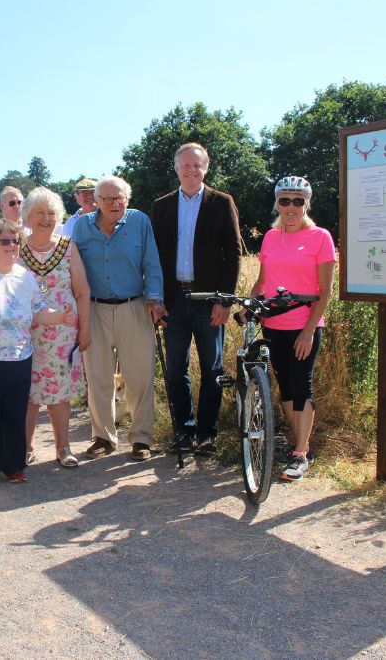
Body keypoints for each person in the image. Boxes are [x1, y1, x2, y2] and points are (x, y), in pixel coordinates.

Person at [0, 219, 76, 489]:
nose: (12, 246)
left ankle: (13, 466)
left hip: (18, 357)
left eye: (16, 240)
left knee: (13, 414)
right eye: (5, 241)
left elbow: (39, 310)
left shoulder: (25, 276)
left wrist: (60, 317)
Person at [150, 142, 245, 455]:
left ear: (206, 168)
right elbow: (153, 257)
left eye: (197, 165)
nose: (191, 171)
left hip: (209, 300)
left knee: (212, 369)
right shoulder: (162, 206)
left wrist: (225, 300)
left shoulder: (221, 202)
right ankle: (184, 431)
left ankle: (207, 433)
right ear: (176, 168)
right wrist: (156, 299)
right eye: (185, 165)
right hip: (173, 299)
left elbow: (233, 254)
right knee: (176, 370)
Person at [70, 175, 164, 462]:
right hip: (95, 309)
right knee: (98, 376)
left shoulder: (139, 222)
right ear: (96, 201)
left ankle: (141, 438)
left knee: (139, 376)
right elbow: (73, 270)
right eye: (107, 199)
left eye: (119, 198)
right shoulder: (81, 227)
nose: (114, 203)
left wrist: (156, 298)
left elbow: (152, 262)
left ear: (128, 198)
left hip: (134, 306)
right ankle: (103, 437)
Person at [250, 176, 336, 481]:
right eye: (285, 200)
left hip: (304, 325)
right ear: (277, 203)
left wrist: (309, 330)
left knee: (302, 386)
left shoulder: (321, 237)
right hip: (274, 323)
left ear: (306, 204)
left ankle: (300, 453)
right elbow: (262, 281)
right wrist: (250, 304)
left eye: (297, 201)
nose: (291, 207)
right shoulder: (271, 237)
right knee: (285, 385)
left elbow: (325, 291)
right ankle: (301, 444)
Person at [17, 187, 91, 468]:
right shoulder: (17, 247)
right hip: (25, 333)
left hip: (63, 334)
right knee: (27, 393)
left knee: (59, 393)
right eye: (39, 213)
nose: (46, 218)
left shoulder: (68, 246)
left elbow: (82, 291)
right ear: (27, 216)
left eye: (51, 213)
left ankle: (63, 447)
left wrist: (85, 330)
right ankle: (25, 447)